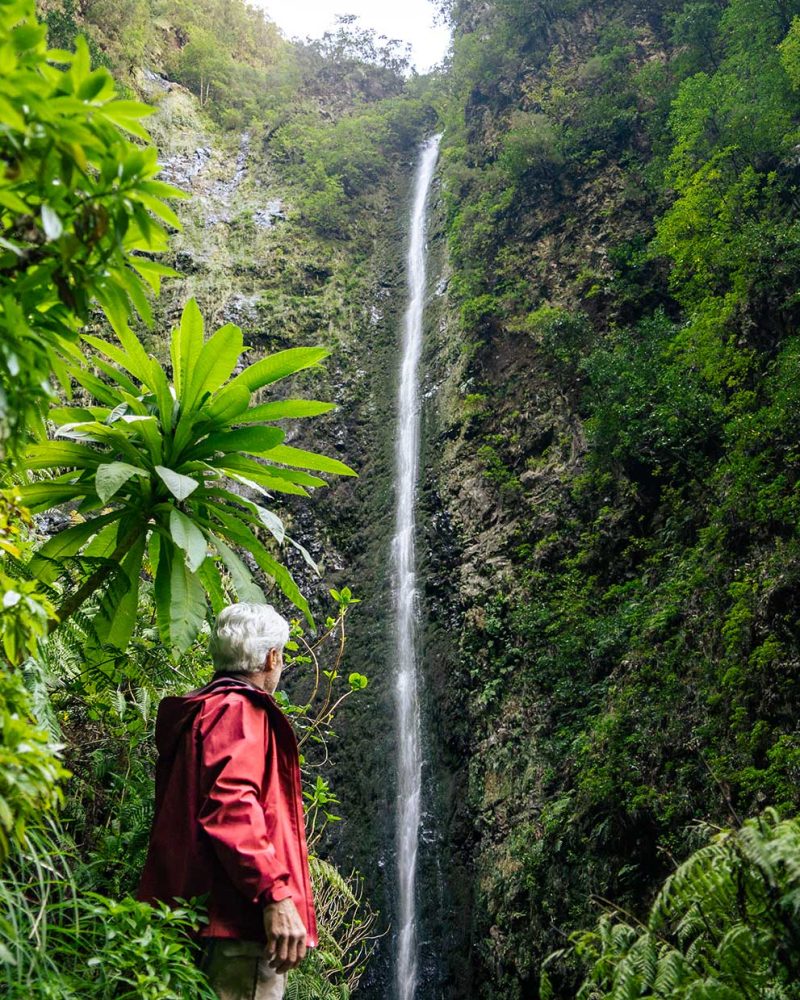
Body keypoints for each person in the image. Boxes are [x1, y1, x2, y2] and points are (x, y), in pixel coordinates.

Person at [138, 602, 317, 1000]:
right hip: (238, 924)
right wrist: (275, 894)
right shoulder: (239, 711)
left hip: (194, 918)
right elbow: (232, 806)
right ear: (272, 658)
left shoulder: (203, 713)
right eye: (282, 656)